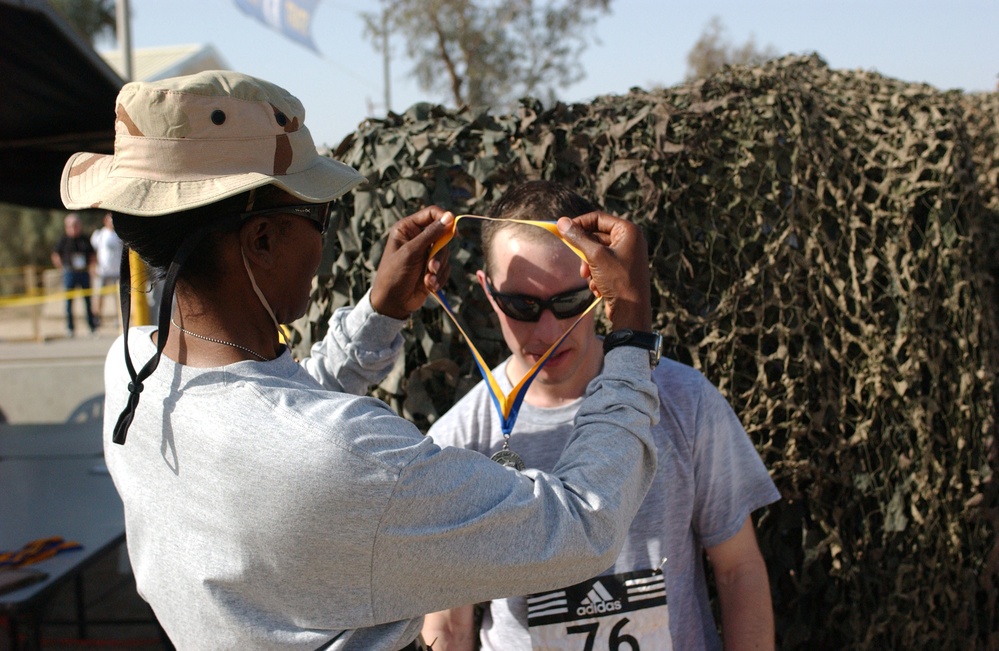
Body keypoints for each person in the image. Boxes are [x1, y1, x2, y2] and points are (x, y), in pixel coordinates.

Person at [59, 70, 662, 651]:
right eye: (319, 216)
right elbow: (584, 525)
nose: (325, 243)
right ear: (262, 240)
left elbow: (272, 422)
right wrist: (630, 331)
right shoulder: (352, 460)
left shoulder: (136, 367)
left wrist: (380, 312)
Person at [422, 181, 781, 651]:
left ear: (599, 286)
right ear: (489, 294)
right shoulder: (458, 439)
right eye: (522, 306)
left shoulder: (685, 402)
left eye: (569, 302)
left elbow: (739, 572)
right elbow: (447, 624)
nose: (548, 330)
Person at [51, 212, 98, 337]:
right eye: (71, 225)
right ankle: (70, 328)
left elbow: (93, 255)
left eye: (76, 224)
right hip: (70, 273)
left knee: (87, 301)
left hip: (83, 272)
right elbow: (55, 254)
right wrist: (62, 268)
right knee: (69, 302)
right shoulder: (63, 240)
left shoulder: (85, 239)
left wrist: (92, 267)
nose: (74, 227)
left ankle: (91, 327)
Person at [90, 211, 123, 327]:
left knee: (117, 298)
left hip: (116, 271)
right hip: (102, 271)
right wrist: (93, 266)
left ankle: (118, 318)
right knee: (99, 296)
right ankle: (97, 318)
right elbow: (93, 253)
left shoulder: (119, 235)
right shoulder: (99, 235)